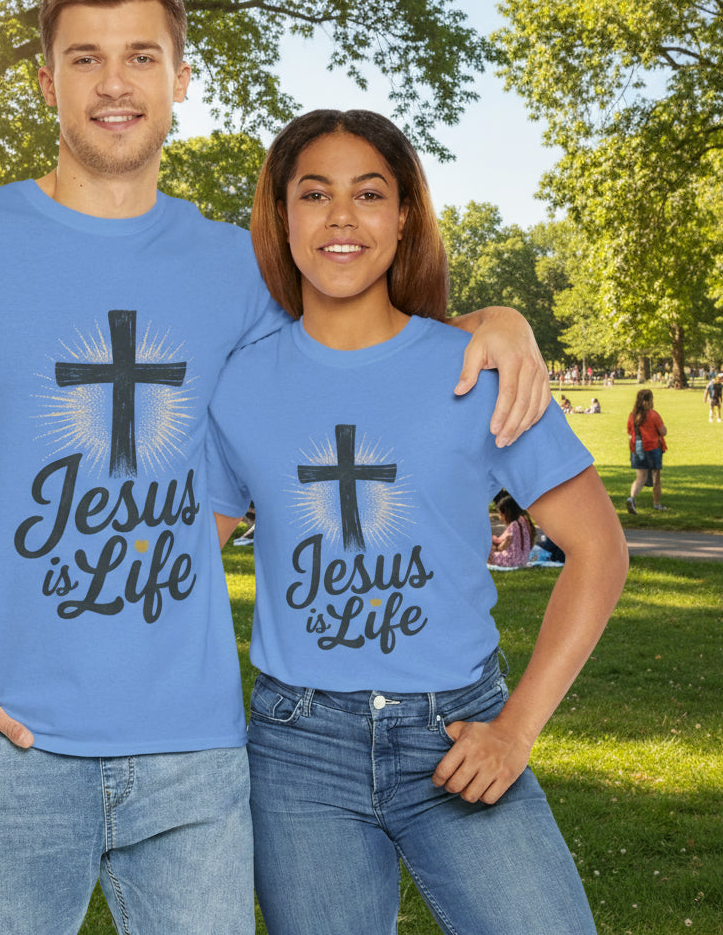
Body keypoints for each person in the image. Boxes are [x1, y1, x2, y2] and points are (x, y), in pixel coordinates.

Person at [0, 0, 553, 935]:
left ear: (180, 79)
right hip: (4, 742)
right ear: (46, 81)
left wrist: (497, 319)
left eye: (141, 57)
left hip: (196, 755)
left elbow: (368, 329)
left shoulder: (243, 268)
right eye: (85, 58)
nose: (114, 83)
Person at [205, 109, 628, 935]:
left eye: (369, 194)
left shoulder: (480, 368)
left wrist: (516, 730)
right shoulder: (241, 385)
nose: (340, 217)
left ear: (403, 217)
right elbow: (174, 557)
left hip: (457, 731)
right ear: (281, 217)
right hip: (298, 749)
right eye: (314, 194)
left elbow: (599, 549)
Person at [626, 388, 668, 513]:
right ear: (649, 400)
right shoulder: (653, 415)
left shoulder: (632, 416)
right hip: (653, 448)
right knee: (656, 478)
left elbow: (629, 432)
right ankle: (657, 504)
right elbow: (663, 432)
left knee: (641, 477)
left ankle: (632, 498)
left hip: (637, 448)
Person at [487, 491, 536, 568]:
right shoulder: (525, 520)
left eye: (501, 514)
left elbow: (501, 541)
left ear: (507, 512)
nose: (500, 517)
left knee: (487, 550)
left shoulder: (513, 525)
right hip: (523, 559)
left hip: (511, 561)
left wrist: (493, 539)